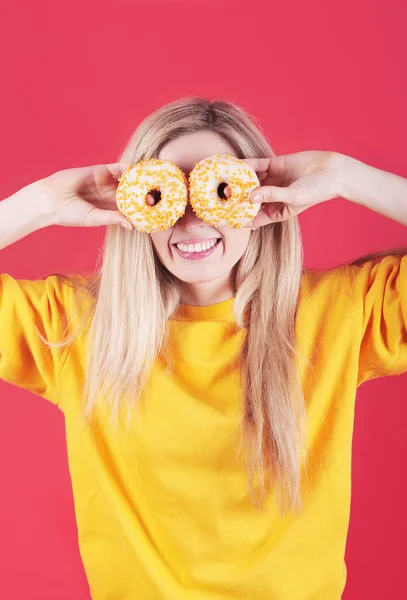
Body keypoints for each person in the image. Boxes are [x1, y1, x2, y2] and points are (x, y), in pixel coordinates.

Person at [0, 96, 406, 600]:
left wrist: (343, 175)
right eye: (164, 193)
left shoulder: (345, 311)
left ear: (261, 197)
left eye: (218, 190)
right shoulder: (75, 327)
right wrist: (42, 200)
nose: (191, 220)